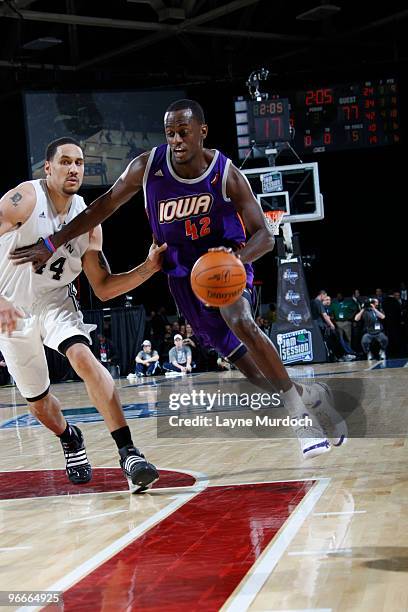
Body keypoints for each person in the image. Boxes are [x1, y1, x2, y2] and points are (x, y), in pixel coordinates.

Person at [10, 101, 347, 458]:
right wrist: (53, 241)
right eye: (170, 133)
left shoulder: (226, 173)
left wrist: (236, 261)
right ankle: (310, 394)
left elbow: (264, 235)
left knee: (240, 319)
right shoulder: (148, 166)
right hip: (183, 275)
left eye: (183, 133)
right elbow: (103, 206)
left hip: (224, 260)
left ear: (202, 131)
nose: (176, 141)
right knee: (248, 368)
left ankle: (299, 417)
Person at [0, 137, 167, 493]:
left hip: (54, 302)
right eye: (65, 161)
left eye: (79, 162)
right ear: (48, 168)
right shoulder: (24, 200)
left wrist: (149, 269)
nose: (74, 168)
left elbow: (104, 287)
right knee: (40, 406)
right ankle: (70, 436)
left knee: (83, 358)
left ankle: (129, 452)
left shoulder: (89, 221)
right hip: (10, 308)